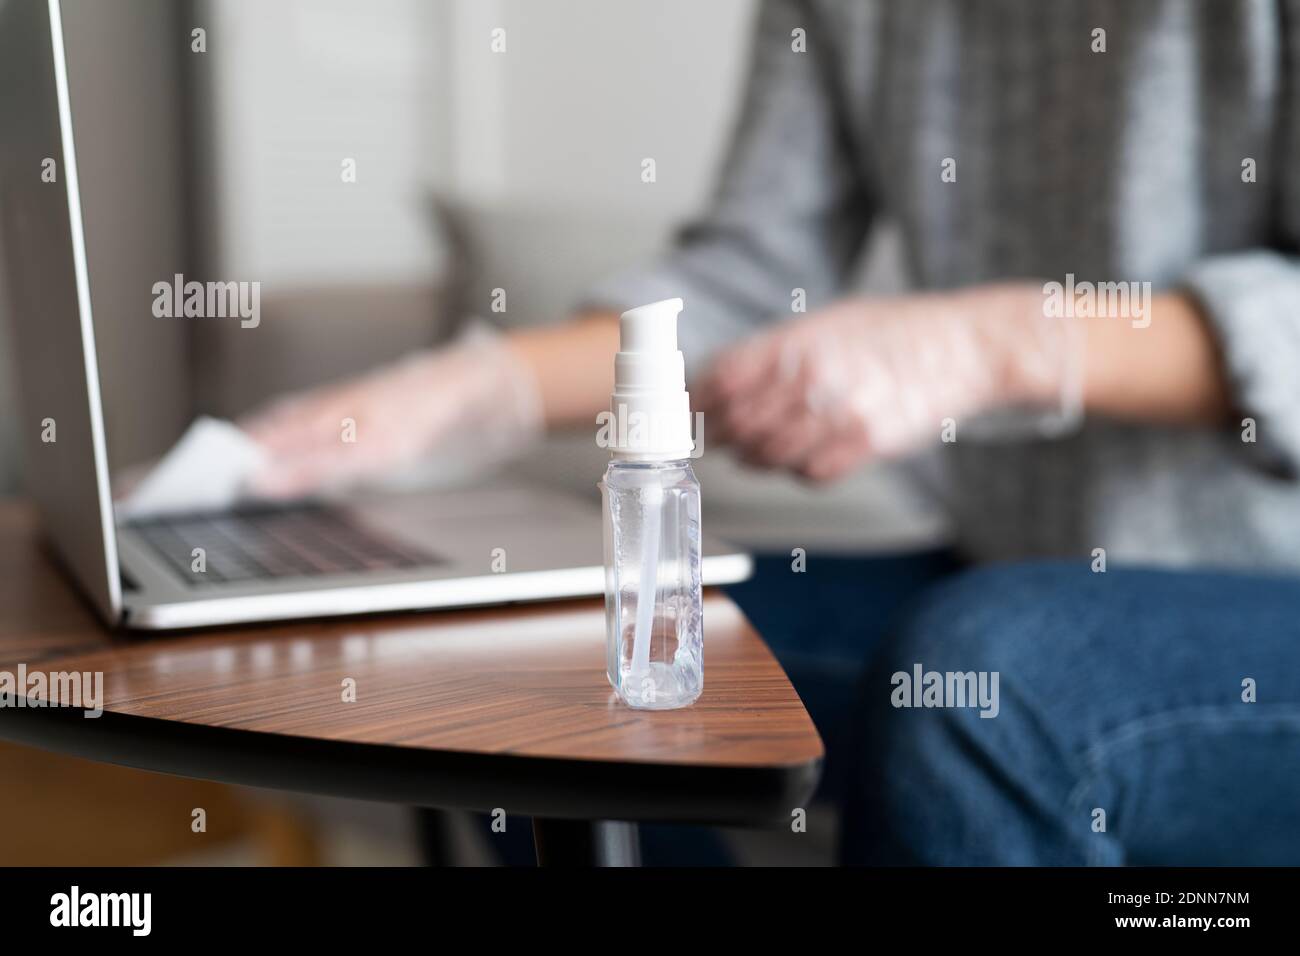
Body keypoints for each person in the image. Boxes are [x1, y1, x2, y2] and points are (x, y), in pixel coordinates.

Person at [243, 0, 1300, 864]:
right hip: (1013, 556)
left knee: (986, 680)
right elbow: (749, 275)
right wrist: (453, 393)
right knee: (520, 650)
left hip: (1263, 593)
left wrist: (1011, 343)